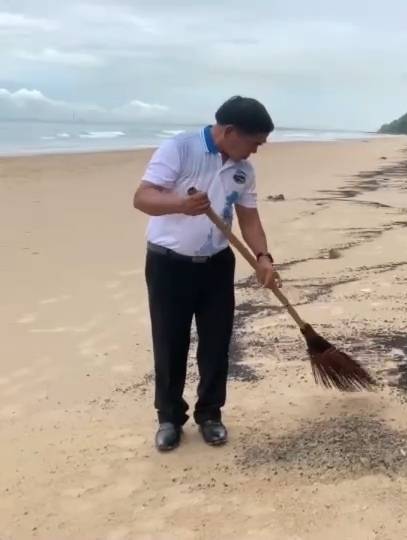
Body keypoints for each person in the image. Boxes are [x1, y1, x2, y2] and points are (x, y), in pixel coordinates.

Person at [133, 96, 278, 452]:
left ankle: (210, 414)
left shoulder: (244, 170)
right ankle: (169, 418)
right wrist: (181, 204)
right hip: (168, 264)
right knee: (170, 342)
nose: (256, 150)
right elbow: (143, 197)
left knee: (216, 342)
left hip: (216, 264)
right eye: (254, 142)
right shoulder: (179, 149)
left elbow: (249, 219)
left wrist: (263, 257)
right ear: (229, 132)